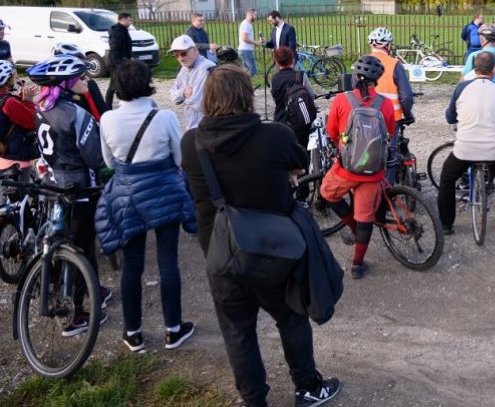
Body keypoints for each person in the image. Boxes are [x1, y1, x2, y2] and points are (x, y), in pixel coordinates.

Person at [180, 66, 341, 407]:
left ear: (207, 99)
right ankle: (307, 387)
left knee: (238, 333)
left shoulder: (191, 145)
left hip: (222, 254)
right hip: (274, 251)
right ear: (247, 97)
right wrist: (287, 177)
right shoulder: (275, 136)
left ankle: (254, 401)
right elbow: (300, 164)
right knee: (291, 319)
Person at [96, 60, 196, 352]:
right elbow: (180, 159)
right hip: (164, 192)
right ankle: (173, 330)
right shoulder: (163, 117)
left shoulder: (107, 120)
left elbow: (109, 162)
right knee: (168, 261)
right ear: (148, 83)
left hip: (128, 194)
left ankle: (133, 333)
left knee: (132, 265)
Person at [27, 54, 110, 334]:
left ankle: (91, 289)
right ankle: (79, 313)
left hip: (53, 185)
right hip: (80, 189)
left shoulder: (41, 109)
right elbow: (95, 158)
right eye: (81, 77)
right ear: (66, 84)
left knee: (65, 240)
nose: (87, 80)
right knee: (82, 248)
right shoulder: (78, 115)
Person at [321, 56, 396, 279]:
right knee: (366, 216)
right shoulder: (386, 104)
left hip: (347, 169)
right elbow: (389, 135)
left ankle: (353, 227)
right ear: (377, 81)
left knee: (327, 193)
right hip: (373, 172)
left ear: (355, 77)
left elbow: (332, 133)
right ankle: (357, 264)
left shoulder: (341, 100)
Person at [438, 51, 495, 235]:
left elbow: (451, 116)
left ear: (474, 68)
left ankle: (446, 223)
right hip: (494, 149)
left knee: (447, 178)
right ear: (494, 70)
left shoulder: (461, 88)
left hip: (464, 149)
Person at [366, 28, 414, 184]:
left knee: (368, 150)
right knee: (390, 154)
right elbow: (405, 96)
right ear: (387, 45)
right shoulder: (394, 64)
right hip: (391, 117)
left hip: (366, 116)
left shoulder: (362, 62)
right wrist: (408, 114)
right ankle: (387, 192)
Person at [271, 46, 318, 153]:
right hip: (298, 120)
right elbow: (311, 95)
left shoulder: (274, 79)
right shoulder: (300, 75)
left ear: (277, 63)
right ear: (293, 60)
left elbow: (275, 97)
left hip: (280, 119)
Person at [0, 60, 40, 179]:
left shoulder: (8, 100)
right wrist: (28, 101)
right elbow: (32, 122)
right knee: (20, 194)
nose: (17, 78)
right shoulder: (9, 102)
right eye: (14, 75)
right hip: (15, 160)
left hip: (3, 156)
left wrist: (21, 98)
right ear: (7, 80)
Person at [169, 35, 216, 130]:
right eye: (176, 56)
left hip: (206, 126)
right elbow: (173, 97)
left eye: (183, 54)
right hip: (191, 125)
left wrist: (182, 96)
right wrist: (183, 93)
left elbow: (197, 102)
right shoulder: (184, 68)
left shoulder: (206, 68)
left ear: (195, 50)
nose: (180, 59)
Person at [53, 42, 108, 119]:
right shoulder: (53, 99)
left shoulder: (49, 96)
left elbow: (103, 113)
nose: (87, 78)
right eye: (81, 75)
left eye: (84, 73)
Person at [106, 12, 133, 109]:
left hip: (123, 62)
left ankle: (125, 104)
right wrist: (118, 64)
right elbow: (114, 49)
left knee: (123, 84)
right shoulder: (117, 32)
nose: (130, 22)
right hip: (116, 64)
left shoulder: (123, 30)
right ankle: (107, 107)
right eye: (129, 20)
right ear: (124, 19)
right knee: (113, 85)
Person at [238, 8, 262, 76]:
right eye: (255, 15)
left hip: (244, 50)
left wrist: (257, 42)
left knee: (246, 71)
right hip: (246, 51)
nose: (256, 17)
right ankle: (244, 83)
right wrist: (256, 43)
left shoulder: (246, 23)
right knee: (253, 70)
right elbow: (244, 38)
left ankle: (244, 85)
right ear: (250, 14)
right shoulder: (246, 24)